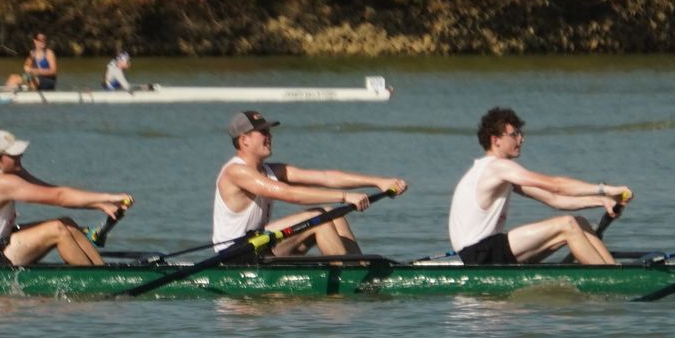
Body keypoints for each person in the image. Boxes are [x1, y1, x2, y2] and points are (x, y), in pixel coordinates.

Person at [448, 107, 631, 265]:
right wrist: (605, 189)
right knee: (566, 224)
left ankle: (613, 269)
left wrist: (602, 201)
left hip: (487, 250)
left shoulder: (501, 174)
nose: (521, 140)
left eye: (521, 134)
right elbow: (556, 186)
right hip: (479, 253)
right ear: (496, 140)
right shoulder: (496, 167)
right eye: (514, 135)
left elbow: (555, 199)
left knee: (579, 223)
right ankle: (609, 278)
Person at [214, 110, 407, 258]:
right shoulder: (236, 172)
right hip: (234, 255)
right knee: (318, 218)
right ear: (244, 140)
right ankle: (349, 277)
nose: (270, 136)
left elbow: (326, 177)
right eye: (263, 132)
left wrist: (378, 182)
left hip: (258, 244)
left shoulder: (272, 171)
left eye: (269, 131)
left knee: (333, 215)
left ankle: (361, 267)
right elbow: (289, 194)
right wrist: (345, 196)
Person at [0, 129, 132, 266]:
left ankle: (101, 271)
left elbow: (53, 191)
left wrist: (100, 204)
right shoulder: (0, 182)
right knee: (57, 229)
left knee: (67, 223)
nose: (20, 156)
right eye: (13, 155)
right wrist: (109, 197)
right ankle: (96, 283)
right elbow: (59, 197)